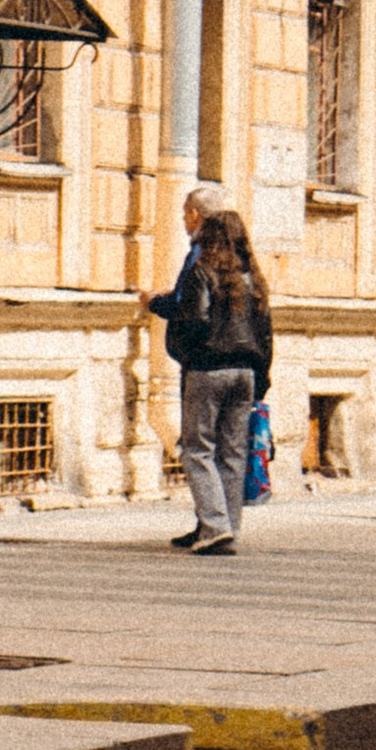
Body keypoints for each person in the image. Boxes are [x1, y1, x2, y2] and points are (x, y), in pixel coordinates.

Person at [147, 199, 273, 555]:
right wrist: (262, 378)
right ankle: (226, 526)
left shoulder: (202, 271)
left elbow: (195, 320)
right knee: (233, 451)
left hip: (208, 369)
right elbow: (265, 332)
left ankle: (215, 525)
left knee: (197, 449)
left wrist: (187, 353)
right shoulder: (253, 278)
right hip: (246, 372)